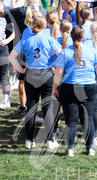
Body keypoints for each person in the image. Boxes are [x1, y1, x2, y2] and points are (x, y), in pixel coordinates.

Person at [9, 15, 61, 150]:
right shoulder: (50, 39)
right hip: (47, 74)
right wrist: (55, 65)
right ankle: (50, 140)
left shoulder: (26, 40)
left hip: (30, 74)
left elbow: (11, 56)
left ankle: (29, 140)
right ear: (45, 26)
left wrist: (20, 69)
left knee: (31, 107)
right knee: (47, 107)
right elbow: (62, 54)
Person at [52, 25, 97, 157]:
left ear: (71, 36)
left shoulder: (65, 52)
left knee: (71, 120)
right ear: (83, 36)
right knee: (88, 119)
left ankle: (70, 149)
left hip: (69, 87)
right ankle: (90, 147)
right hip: (89, 87)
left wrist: (54, 88)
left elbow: (59, 72)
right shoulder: (92, 51)